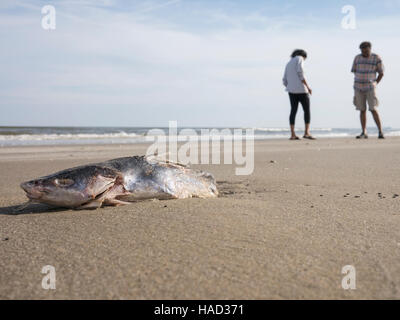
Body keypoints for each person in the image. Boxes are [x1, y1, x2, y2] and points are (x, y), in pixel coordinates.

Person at [351, 41, 385, 139]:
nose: (364, 52)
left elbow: (381, 73)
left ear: (370, 48)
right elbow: (354, 71)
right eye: (362, 51)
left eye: (366, 50)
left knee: (373, 109)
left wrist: (375, 83)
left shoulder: (376, 58)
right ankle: (364, 132)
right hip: (358, 87)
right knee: (362, 110)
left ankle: (380, 131)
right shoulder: (357, 58)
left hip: (370, 87)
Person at [283, 49, 315, 140]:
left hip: (291, 91)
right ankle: (306, 133)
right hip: (301, 90)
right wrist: (308, 87)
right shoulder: (300, 58)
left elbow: (284, 80)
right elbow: (300, 72)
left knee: (293, 111)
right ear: (303, 56)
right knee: (306, 110)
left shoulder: (288, 63)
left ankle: (293, 134)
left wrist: (291, 86)